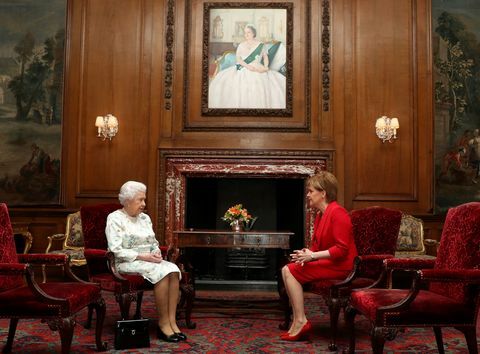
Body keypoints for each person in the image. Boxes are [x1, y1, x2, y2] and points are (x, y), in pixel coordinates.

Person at [280, 171, 358, 341]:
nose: (308, 195)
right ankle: (298, 320)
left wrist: (313, 256)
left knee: (289, 271)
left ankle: (300, 320)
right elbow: (316, 246)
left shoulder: (338, 213)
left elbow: (341, 250)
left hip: (342, 267)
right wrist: (305, 254)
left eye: (311, 191)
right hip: (329, 263)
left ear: (323, 193)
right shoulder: (320, 215)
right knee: (288, 269)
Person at [105, 181, 185, 343]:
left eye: (144, 200)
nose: (143, 204)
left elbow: (153, 243)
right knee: (162, 272)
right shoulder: (114, 218)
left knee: (174, 269)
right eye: (140, 200)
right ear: (127, 200)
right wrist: (143, 257)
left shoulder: (145, 218)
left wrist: (155, 253)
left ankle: (172, 322)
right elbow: (115, 250)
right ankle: (163, 324)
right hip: (126, 262)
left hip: (148, 261)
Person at [208, 24, 286, 109]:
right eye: (245, 33)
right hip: (243, 67)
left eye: (248, 32)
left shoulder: (260, 45)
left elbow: (265, 57)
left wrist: (266, 67)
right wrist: (248, 67)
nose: (246, 35)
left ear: (253, 33)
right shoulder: (241, 45)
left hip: (257, 67)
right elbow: (238, 59)